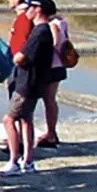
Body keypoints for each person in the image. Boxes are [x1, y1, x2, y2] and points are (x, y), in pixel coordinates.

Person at [0, 0, 56, 176]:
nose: (27, 11)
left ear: (37, 9)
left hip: (27, 83)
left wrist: (15, 57)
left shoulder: (39, 31)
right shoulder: (42, 30)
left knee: (8, 119)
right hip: (34, 81)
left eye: (30, 7)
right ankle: (28, 161)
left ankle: (14, 161)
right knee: (26, 119)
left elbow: (21, 57)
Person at [5, 0, 34, 152]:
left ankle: (17, 148)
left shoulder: (23, 19)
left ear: (18, 0)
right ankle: (21, 145)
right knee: (22, 114)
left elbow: (24, 45)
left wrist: (17, 60)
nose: (8, 0)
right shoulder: (22, 18)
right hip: (19, 66)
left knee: (14, 114)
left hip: (21, 68)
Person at [39, 13, 70, 148]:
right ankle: (52, 132)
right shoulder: (62, 21)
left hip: (51, 66)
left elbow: (56, 44)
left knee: (48, 100)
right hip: (59, 66)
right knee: (51, 99)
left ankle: (51, 133)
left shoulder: (52, 25)